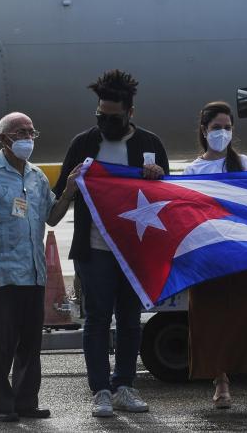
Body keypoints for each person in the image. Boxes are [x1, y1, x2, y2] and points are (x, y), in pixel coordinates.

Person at [54, 69, 169, 417]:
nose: (106, 122)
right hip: (95, 250)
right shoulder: (84, 143)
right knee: (97, 320)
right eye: (101, 116)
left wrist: (159, 179)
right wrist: (74, 184)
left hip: (134, 248)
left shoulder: (149, 144)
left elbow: (169, 200)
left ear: (130, 113)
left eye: (114, 117)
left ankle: (124, 386)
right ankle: (100, 389)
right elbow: (57, 201)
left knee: (131, 319)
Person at [0, 112, 80, 422]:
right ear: (4, 139)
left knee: (29, 343)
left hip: (33, 272)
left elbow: (51, 218)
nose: (28, 138)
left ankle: (25, 401)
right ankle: (2, 404)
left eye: (30, 132)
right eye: (20, 133)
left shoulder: (37, 177)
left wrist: (68, 189)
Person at [184, 101, 247, 409]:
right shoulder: (193, 170)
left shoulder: (244, 164)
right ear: (204, 130)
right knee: (212, 318)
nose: (223, 133)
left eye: (228, 128)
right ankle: (221, 383)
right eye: (217, 128)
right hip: (209, 256)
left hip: (241, 252)